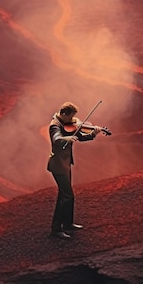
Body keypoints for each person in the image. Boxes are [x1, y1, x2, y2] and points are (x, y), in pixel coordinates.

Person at [47, 101, 102, 239]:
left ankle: (67, 224)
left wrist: (93, 134)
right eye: (70, 117)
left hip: (65, 164)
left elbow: (81, 137)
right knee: (67, 196)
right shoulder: (55, 125)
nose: (73, 121)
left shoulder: (67, 123)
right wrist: (66, 137)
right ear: (64, 114)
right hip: (58, 166)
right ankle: (56, 229)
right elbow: (57, 139)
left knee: (65, 195)